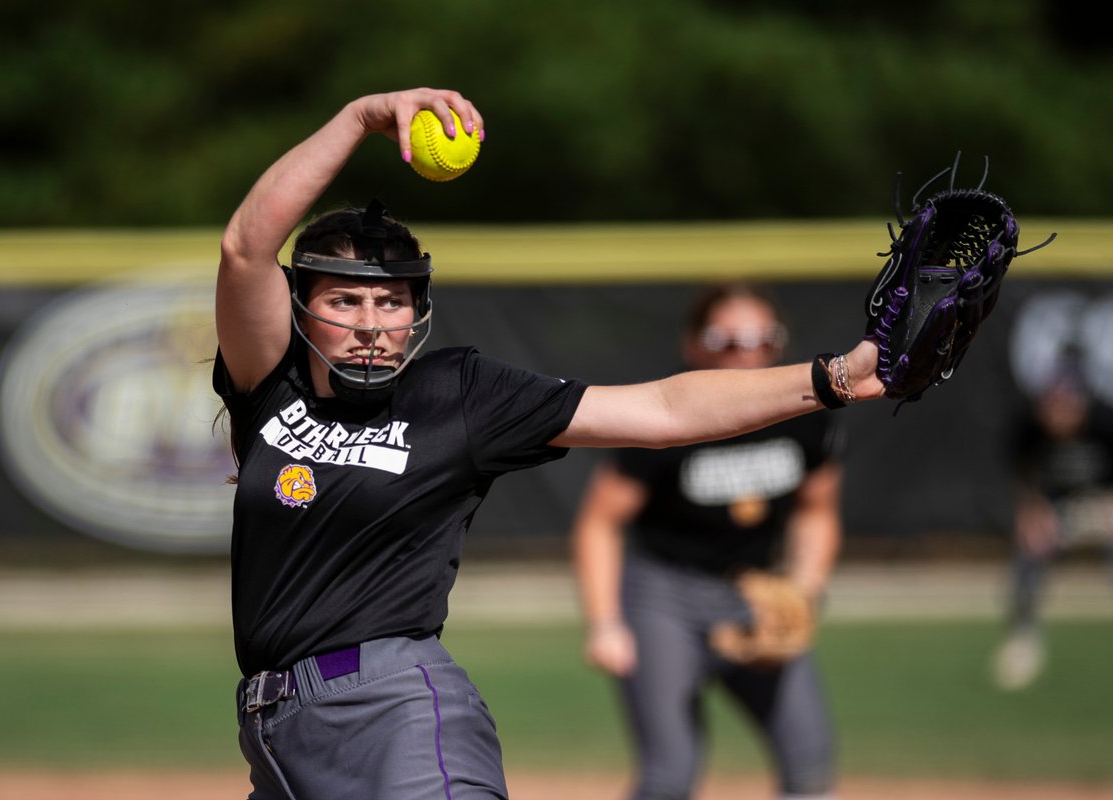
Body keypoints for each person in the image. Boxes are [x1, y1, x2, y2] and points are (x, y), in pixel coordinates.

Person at [213, 87, 882, 800]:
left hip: (397, 715)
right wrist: (358, 118)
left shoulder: (459, 395)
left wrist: (832, 376)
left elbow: (660, 409)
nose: (372, 321)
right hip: (278, 735)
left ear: (417, 312)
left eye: (392, 300)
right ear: (302, 307)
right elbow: (247, 247)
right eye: (344, 299)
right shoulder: (270, 385)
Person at [571, 283, 844, 800]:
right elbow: (599, 522)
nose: (748, 352)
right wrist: (605, 623)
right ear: (694, 344)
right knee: (670, 773)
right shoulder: (668, 418)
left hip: (756, 594)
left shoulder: (805, 419)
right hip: (665, 599)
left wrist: (805, 589)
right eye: (728, 339)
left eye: (764, 338)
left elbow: (818, 511)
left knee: (810, 765)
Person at [992, 350, 1113, 691]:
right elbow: (1021, 478)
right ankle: (1023, 638)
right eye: (1051, 405)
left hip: (1103, 506)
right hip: (1058, 510)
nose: (1057, 414)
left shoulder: (1105, 424)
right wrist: (1031, 512)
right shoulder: (1029, 428)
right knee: (1028, 554)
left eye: (1065, 405)